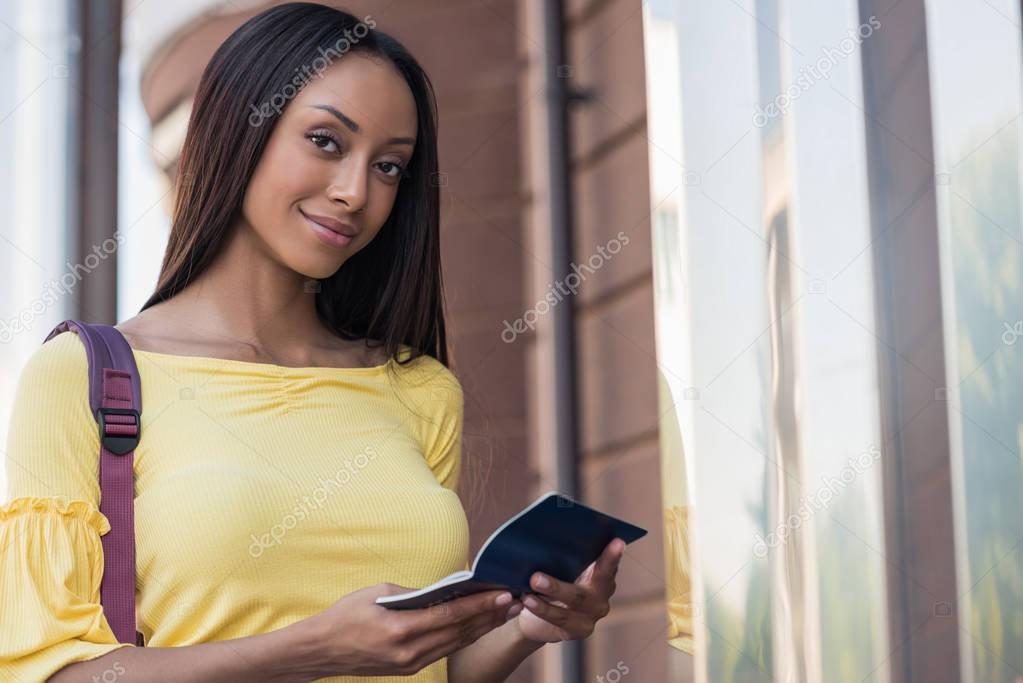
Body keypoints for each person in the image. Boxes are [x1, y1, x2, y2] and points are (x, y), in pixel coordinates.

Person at [0, 3, 625, 681]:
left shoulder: (419, 389)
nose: (355, 192)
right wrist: (313, 647)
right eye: (326, 141)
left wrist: (526, 628)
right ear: (237, 129)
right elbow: (52, 672)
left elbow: (430, 667)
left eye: (389, 167)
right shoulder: (87, 377)